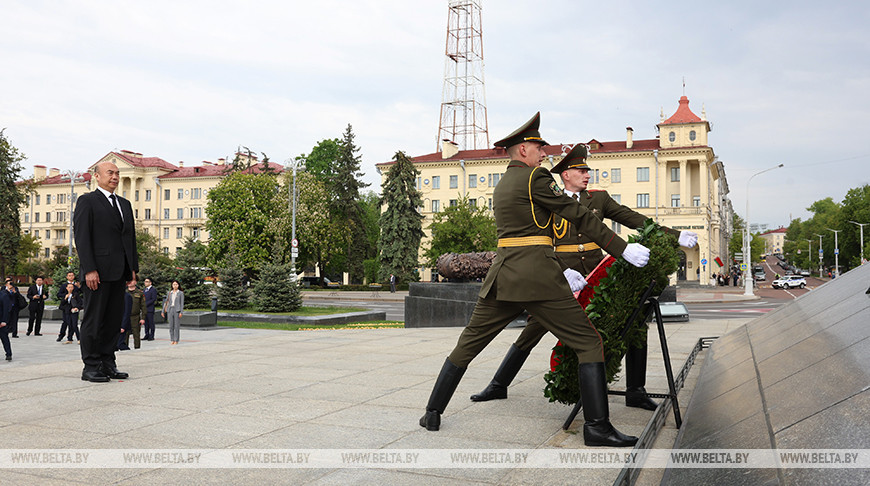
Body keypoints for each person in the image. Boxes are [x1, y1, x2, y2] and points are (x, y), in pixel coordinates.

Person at [419, 113, 651, 447]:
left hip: (503, 278)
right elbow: (578, 214)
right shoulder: (535, 178)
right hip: (539, 279)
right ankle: (597, 428)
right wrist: (620, 247)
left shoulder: (502, 185)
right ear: (524, 150)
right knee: (589, 343)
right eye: (539, 147)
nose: (544, 154)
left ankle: (432, 412)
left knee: (467, 344)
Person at [470, 144, 698, 411]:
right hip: (559, 274)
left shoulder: (598, 199)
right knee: (534, 329)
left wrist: (674, 234)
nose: (587, 174)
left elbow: (631, 217)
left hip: (598, 270)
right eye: (580, 170)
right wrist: (561, 270)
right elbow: (536, 242)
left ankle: (636, 390)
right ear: (565, 174)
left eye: (587, 170)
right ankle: (499, 384)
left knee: (635, 321)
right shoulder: (545, 197)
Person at [73, 161, 138, 383]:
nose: (115, 177)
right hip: (97, 274)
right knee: (94, 319)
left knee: (112, 320)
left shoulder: (124, 204)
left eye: (118, 173)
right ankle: (90, 366)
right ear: (97, 176)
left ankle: (108, 362)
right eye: (110, 173)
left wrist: (132, 269)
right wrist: (89, 269)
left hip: (119, 272)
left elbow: (130, 239)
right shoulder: (87, 201)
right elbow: (82, 238)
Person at [124, 281, 146, 349]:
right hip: (126, 317)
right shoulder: (124, 292)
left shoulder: (140, 293)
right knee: (125, 334)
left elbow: (143, 306)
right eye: (128, 281)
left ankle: (137, 348)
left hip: (135, 317)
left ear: (135, 282)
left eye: (132, 281)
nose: (130, 283)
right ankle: (124, 348)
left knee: (136, 334)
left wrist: (143, 318)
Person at [161, 280, 184, 345]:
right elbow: (166, 302)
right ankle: (172, 339)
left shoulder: (180, 293)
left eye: (176, 284)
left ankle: (176, 340)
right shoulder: (169, 293)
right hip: (170, 309)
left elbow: (182, 303)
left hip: (177, 310)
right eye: (174, 284)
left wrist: (181, 312)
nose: (175, 286)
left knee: (176, 326)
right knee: (171, 326)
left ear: (178, 285)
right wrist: (163, 311)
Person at [1, 282, 13, 360]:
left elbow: (6, 309)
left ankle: (8, 354)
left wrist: (4, 321)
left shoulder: (3, 295)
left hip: (1, 322)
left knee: (4, 338)